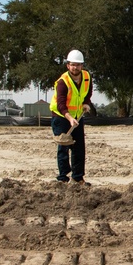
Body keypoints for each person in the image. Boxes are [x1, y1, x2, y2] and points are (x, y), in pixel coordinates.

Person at [50, 50, 94, 186]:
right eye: (72, 65)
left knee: (79, 147)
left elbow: (88, 91)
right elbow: (61, 104)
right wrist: (69, 118)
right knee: (63, 146)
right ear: (68, 66)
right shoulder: (63, 82)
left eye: (78, 65)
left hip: (77, 117)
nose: (75, 68)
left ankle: (78, 178)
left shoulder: (87, 77)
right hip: (61, 117)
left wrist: (86, 103)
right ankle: (63, 178)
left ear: (82, 66)